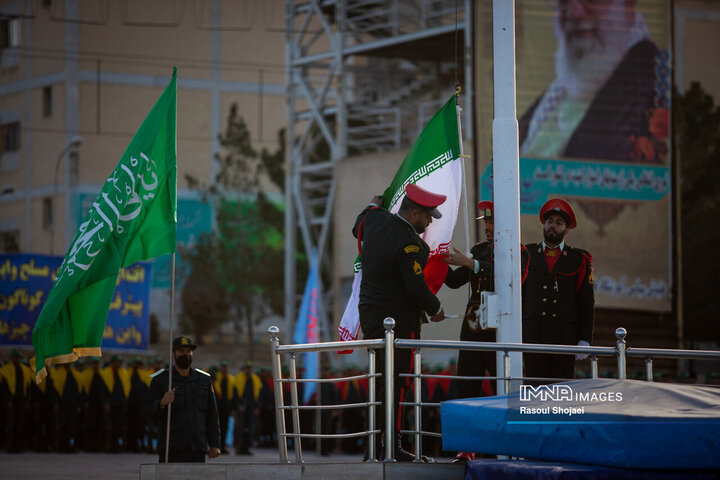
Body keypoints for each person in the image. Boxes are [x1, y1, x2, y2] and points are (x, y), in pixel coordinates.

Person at [352, 183, 446, 462]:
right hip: (398, 323)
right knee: (397, 383)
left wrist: (371, 205)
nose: (430, 221)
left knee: (379, 380)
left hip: (369, 315)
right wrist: (437, 307)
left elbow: (358, 226)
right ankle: (391, 446)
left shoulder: (374, 219)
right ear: (414, 213)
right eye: (428, 216)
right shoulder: (412, 243)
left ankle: (375, 445)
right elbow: (414, 286)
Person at [519, 0, 667, 163]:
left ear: (627, 5)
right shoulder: (562, 89)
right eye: (564, 2)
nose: (575, 13)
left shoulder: (649, 81)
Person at [521, 199, 595, 383]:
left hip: (564, 339)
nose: (553, 226)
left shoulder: (579, 259)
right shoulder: (526, 254)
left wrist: (585, 339)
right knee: (533, 392)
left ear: (567, 230)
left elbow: (586, 303)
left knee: (561, 394)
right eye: (550, 222)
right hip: (533, 336)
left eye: (559, 223)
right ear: (544, 224)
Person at [443, 201, 498, 399]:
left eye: (493, 222)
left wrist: (470, 263)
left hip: (498, 333)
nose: (488, 227)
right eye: (486, 222)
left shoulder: (518, 252)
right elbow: (454, 282)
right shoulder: (479, 250)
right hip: (473, 330)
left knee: (501, 387)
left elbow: (506, 277)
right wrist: (437, 258)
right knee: (467, 387)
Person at [143, 336, 221, 463]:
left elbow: (212, 415)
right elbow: (146, 410)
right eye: (181, 351)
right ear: (173, 354)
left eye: (188, 351)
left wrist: (215, 444)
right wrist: (161, 403)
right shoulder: (162, 380)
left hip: (197, 447)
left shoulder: (204, 380)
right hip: (171, 448)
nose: (186, 354)